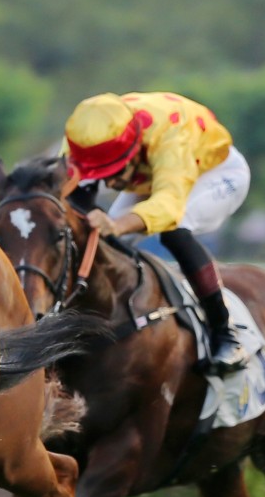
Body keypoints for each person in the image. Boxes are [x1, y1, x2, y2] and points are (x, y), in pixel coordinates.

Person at [63, 91, 251, 375]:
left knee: (173, 228)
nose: (110, 183)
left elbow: (168, 207)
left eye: (113, 172)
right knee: (101, 242)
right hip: (150, 175)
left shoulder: (170, 136)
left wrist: (116, 224)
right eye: (102, 174)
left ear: (132, 148)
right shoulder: (84, 136)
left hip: (212, 172)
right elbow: (61, 189)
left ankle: (224, 333)